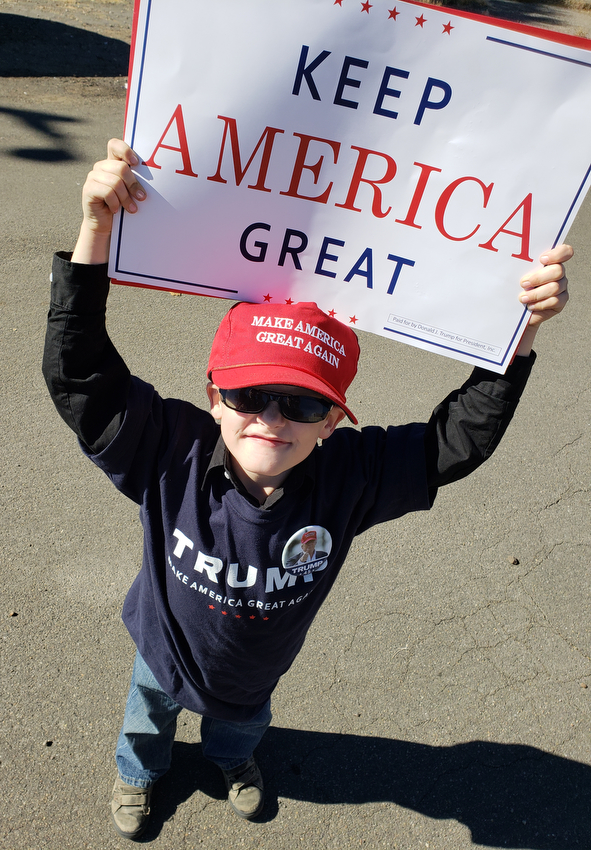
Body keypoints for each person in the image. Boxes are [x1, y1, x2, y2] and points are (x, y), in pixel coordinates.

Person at [42, 138, 571, 840]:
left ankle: (232, 761)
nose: (271, 418)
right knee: (148, 714)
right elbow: (81, 378)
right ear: (214, 396)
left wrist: (521, 329)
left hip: (256, 667)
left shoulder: (347, 478)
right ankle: (139, 772)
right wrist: (96, 231)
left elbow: (455, 442)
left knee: (241, 726)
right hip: (163, 650)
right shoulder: (170, 451)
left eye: (303, 404)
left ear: (333, 423)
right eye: (250, 393)